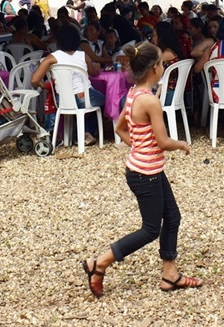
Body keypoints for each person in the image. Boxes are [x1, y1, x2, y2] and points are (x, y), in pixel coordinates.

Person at [81, 42, 199, 297]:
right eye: (162, 63)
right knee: (150, 229)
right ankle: (99, 263)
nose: (163, 67)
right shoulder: (150, 100)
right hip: (146, 174)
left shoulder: (134, 93)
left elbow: (120, 128)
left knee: (173, 217)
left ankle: (170, 275)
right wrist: (181, 144)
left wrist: (140, 148)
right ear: (155, 68)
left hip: (145, 169)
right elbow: (163, 141)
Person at [31, 24, 105, 144]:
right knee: (103, 101)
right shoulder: (83, 55)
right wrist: (97, 67)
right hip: (84, 98)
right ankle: (85, 132)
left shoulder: (52, 57)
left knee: (84, 108)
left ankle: (79, 134)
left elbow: (34, 80)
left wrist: (45, 87)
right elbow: (94, 73)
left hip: (62, 100)